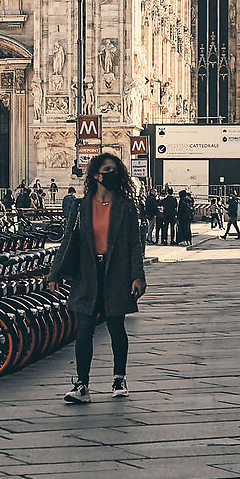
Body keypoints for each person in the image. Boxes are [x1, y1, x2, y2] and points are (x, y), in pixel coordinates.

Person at [52, 153, 146, 404]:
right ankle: (82, 385)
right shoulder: (81, 206)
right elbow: (68, 241)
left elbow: (134, 244)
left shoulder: (125, 206)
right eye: (107, 170)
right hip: (87, 274)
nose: (112, 174)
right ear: (95, 174)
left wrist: (138, 275)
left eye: (115, 170)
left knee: (116, 327)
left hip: (116, 273)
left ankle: (119, 378)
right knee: (83, 329)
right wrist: (55, 272)